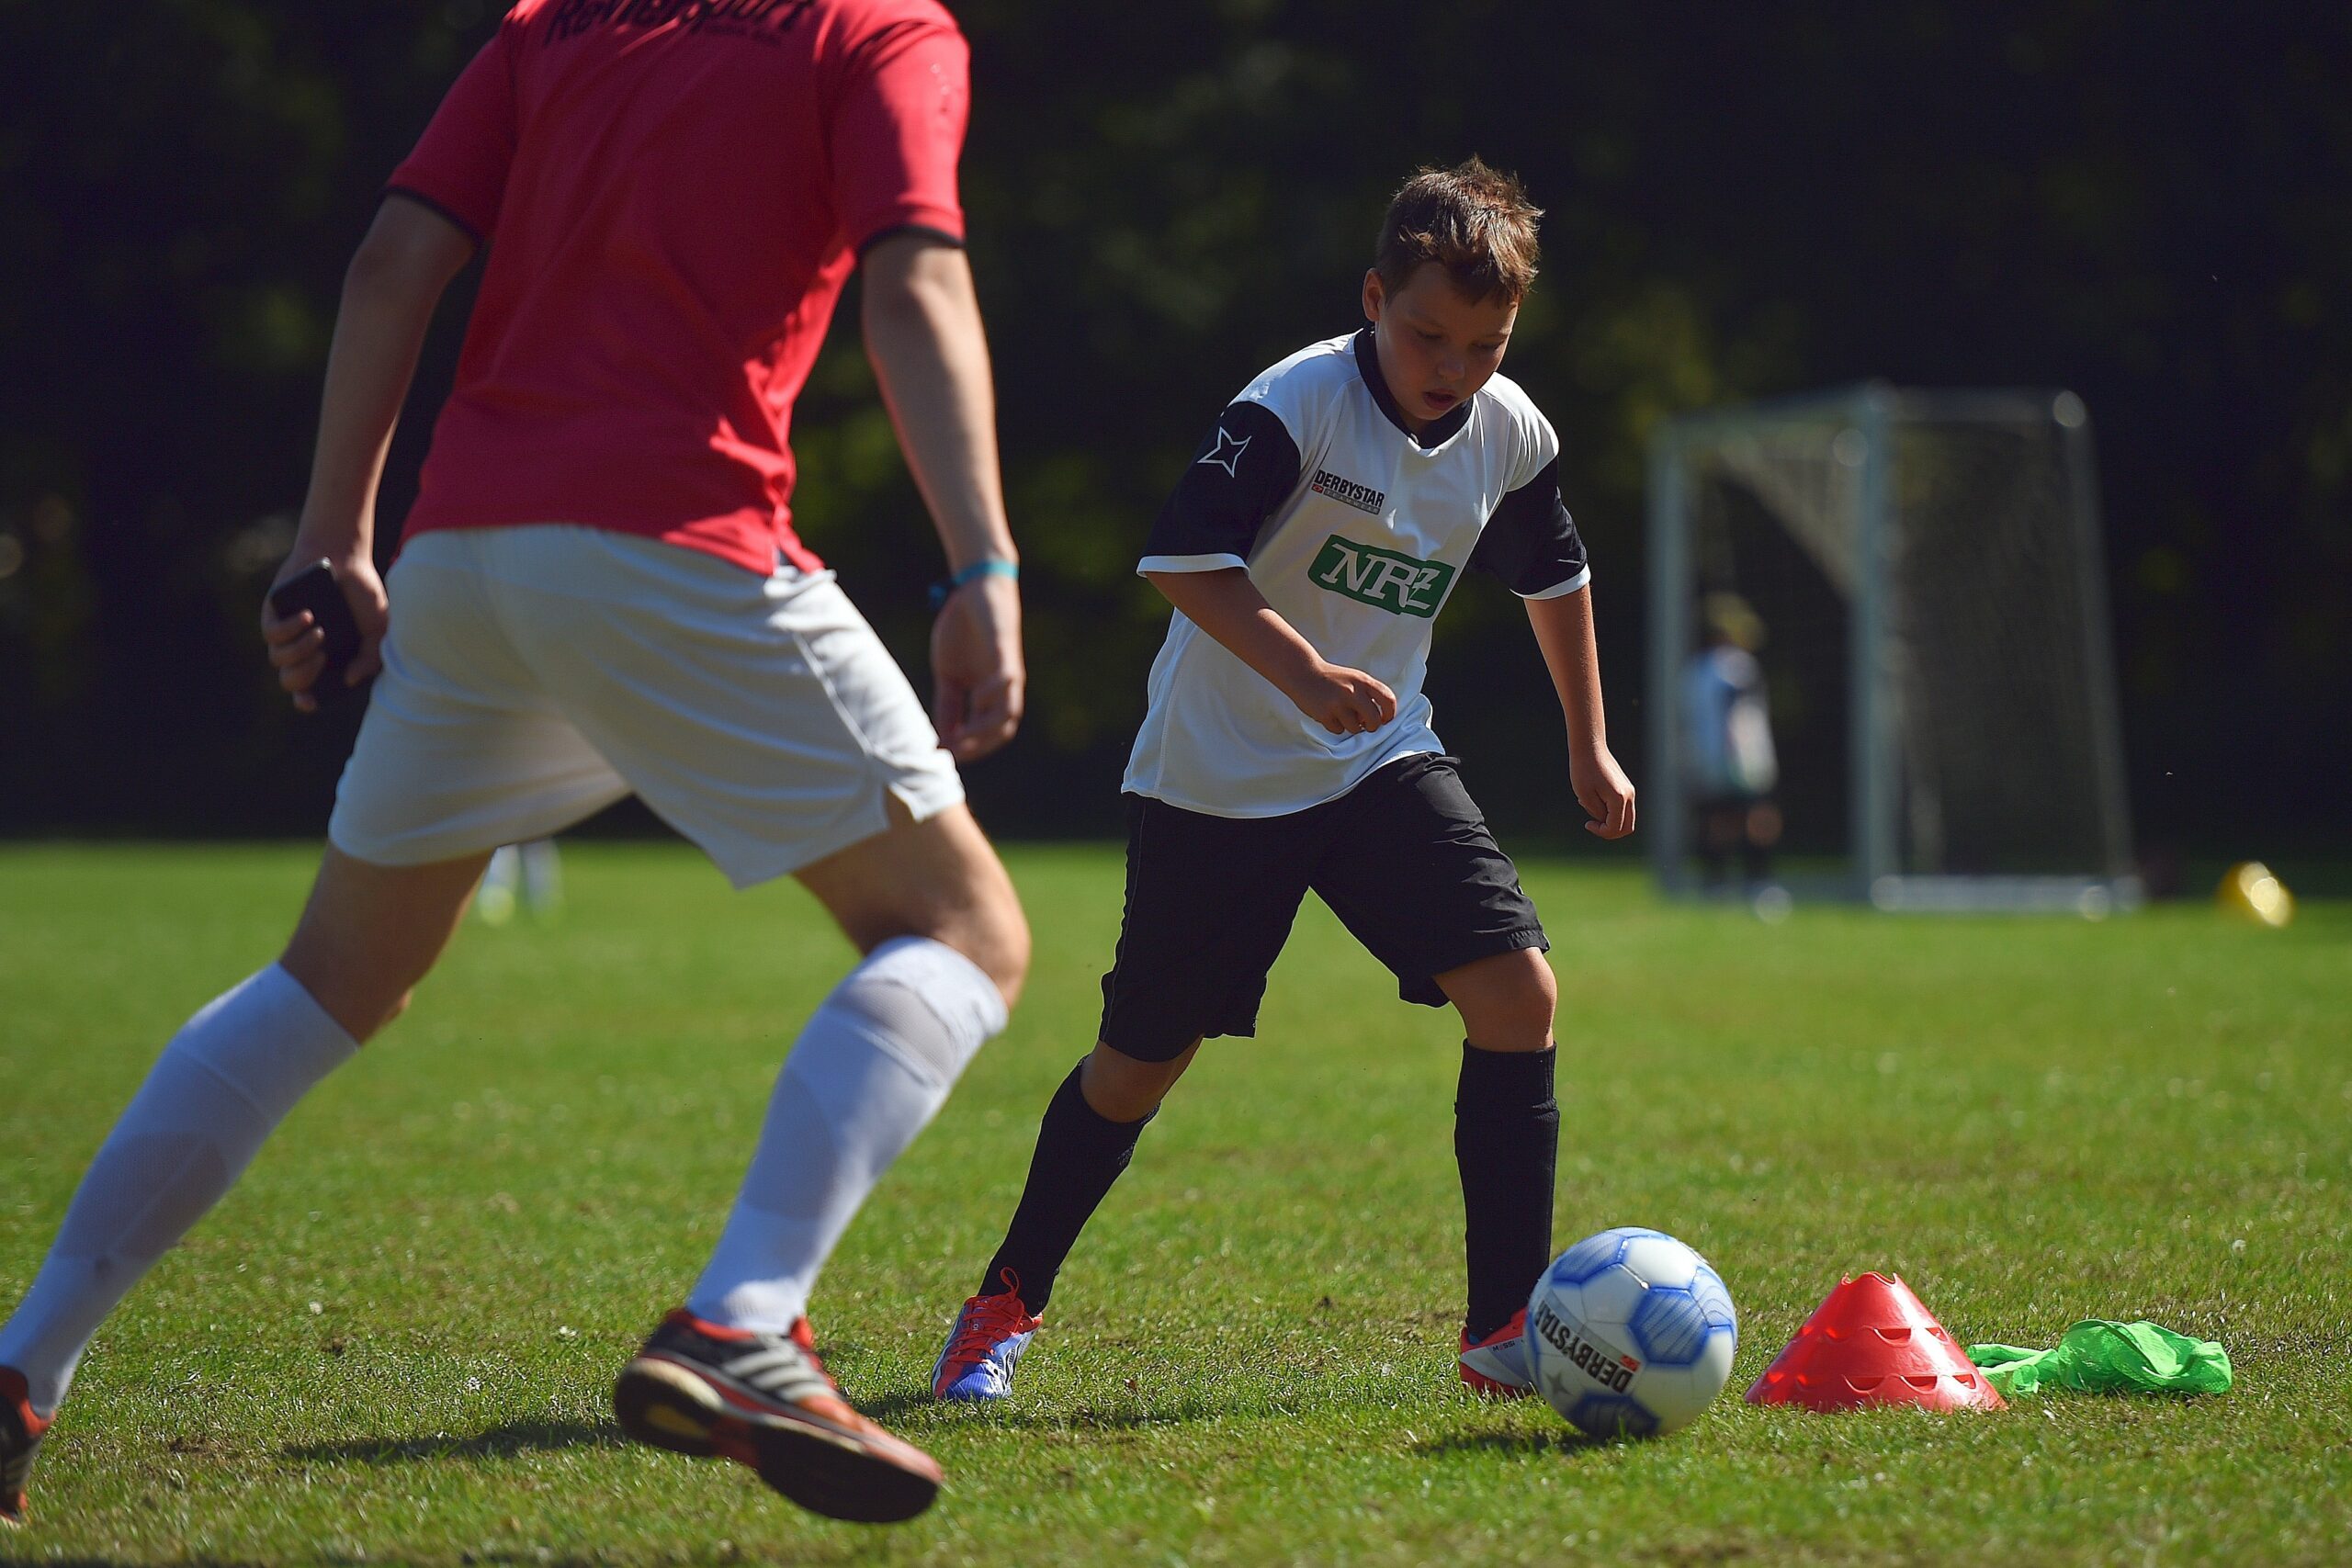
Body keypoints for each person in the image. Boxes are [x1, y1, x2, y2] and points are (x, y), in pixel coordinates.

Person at [1, 0, 1026, 1529]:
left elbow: (391, 263)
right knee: (963, 932)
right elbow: (917, 277)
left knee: (329, 978)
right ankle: (744, 1319)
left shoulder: (558, 25)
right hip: (677, 538)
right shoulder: (875, 30)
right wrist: (982, 563)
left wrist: (333, 540)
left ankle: (22, 1365)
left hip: (469, 552)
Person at [929, 159, 1635, 1405]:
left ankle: (1502, 1334)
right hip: (1217, 778)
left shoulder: (1511, 429)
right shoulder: (1294, 405)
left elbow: (1555, 573)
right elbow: (1184, 558)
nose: (1453, 367)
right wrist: (1305, 671)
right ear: (1373, 297)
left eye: (1485, 343)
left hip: (1376, 759)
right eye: (1428, 333)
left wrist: (1589, 739)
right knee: (1140, 1062)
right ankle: (1005, 1299)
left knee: (1518, 992)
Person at [1680, 593, 1782, 892]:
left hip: (1707, 757)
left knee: (1719, 819)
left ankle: (1716, 883)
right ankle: (1759, 881)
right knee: (1757, 816)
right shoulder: (1737, 666)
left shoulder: (1694, 670)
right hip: (1741, 757)